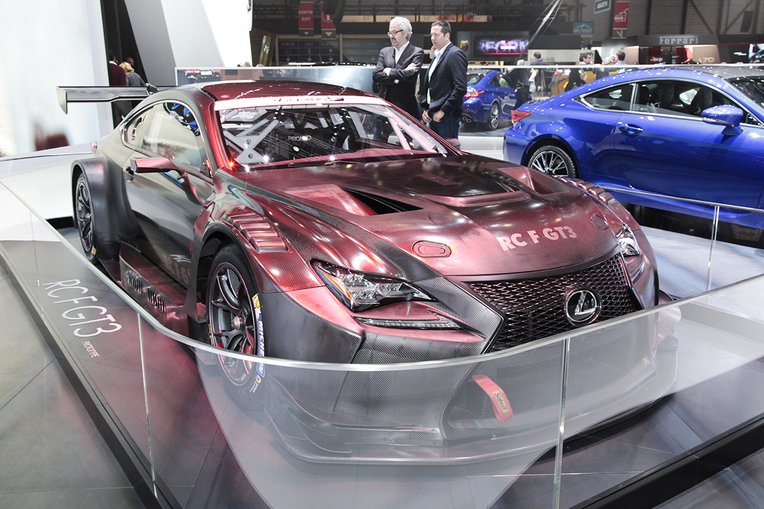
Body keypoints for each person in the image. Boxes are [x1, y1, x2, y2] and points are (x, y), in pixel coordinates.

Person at [420, 20, 468, 147]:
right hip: (433, 113)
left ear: (447, 36)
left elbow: (460, 88)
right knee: (437, 153)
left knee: (448, 153)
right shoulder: (438, 55)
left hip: (447, 116)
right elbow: (431, 85)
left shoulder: (455, 54)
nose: (432, 38)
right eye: (431, 35)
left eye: (436, 34)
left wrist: (443, 111)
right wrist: (426, 108)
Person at [372, 16, 424, 119]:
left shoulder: (416, 52)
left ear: (405, 33)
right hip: (385, 109)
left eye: (395, 32)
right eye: (390, 33)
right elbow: (376, 75)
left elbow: (411, 75)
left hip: (406, 110)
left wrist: (389, 71)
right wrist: (398, 77)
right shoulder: (385, 52)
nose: (391, 36)